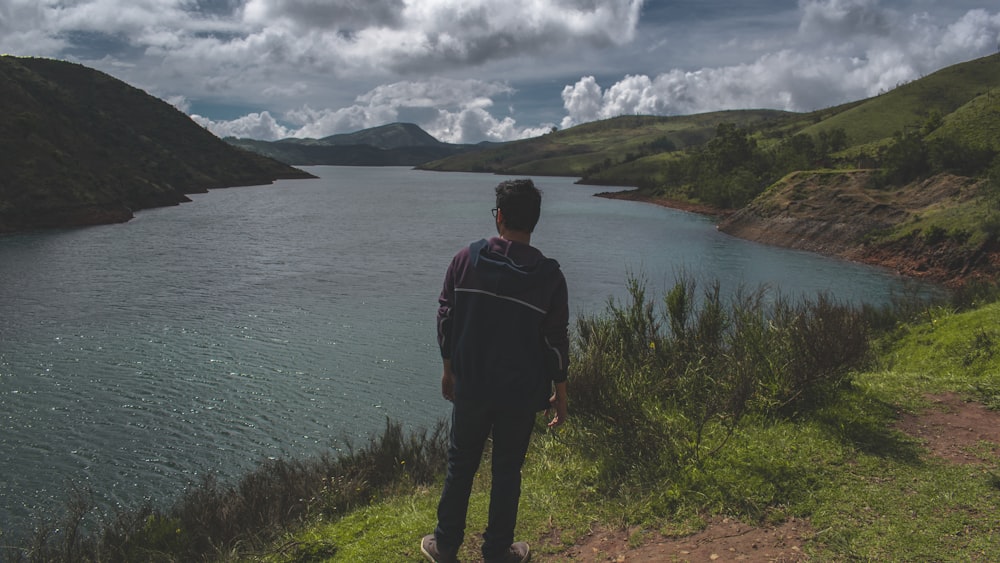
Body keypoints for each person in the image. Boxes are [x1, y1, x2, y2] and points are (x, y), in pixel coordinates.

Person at [421, 178, 569, 563]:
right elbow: (555, 340)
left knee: (461, 465)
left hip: (471, 385)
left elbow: (446, 319)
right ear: (533, 221)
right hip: (521, 393)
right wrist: (561, 393)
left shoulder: (466, 259)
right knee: (507, 472)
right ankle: (498, 552)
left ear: (500, 216)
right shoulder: (550, 276)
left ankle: (446, 546)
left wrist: (448, 368)